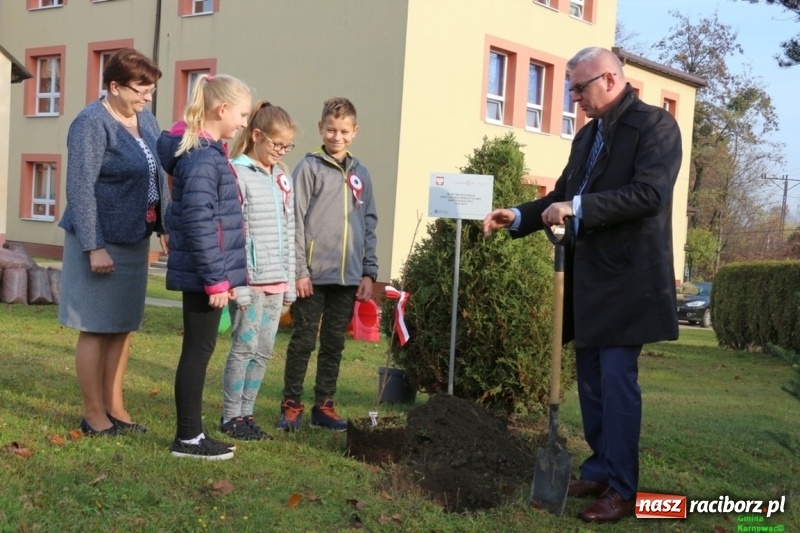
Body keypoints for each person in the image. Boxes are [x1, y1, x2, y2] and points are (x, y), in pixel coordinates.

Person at [482, 47, 682, 523]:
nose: (573, 98)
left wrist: (581, 208)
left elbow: (649, 194)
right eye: (571, 87)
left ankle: (622, 489)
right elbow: (562, 195)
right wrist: (519, 216)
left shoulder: (655, 127)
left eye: (578, 87)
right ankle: (599, 467)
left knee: (616, 384)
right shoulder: (589, 135)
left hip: (628, 281)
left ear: (610, 80)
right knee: (591, 383)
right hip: (588, 280)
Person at [58, 48, 167, 436]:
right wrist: (94, 245)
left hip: (135, 238)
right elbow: (80, 188)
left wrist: (164, 227)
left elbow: (159, 176)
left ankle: (116, 408)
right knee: (96, 327)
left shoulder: (147, 120)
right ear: (114, 86)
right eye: (141, 88)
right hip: (100, 241)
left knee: (121, 326)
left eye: (152, 88)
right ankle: (92, 414)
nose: (148, 96)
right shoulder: (91, 123)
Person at [157, 74, 252, 460]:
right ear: (221, 109)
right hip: (203, 274)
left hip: (209, 273)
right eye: (243, 114)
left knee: (201, 349)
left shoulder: (210, 152)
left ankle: (192, 435)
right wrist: (215, 280)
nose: (245, 122)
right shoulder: (200, 157)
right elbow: (199, 222)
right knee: (197, 351)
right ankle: (188, 438)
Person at [277, 97, 378, 432]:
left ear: (355, 131)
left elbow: (369, 223)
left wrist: (368, 271)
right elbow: (295, 219)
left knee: (334, 343)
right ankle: (291, 404)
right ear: (321, 128)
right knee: (304, 340)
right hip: (312, 277)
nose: (337, 136)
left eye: (344, 130)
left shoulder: (361, 173)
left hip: (348, 279)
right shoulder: (309, 168)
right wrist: (299, 272)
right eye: (331, 129)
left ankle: (325, 405)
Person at [219, 100, 298, 441]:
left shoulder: (282, 177)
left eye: (287, 146)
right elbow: (233, 232)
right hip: (250, 281)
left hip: (278, 282)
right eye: (276, 144)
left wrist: (291, 285)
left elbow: (290, 229)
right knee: (244, 348)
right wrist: (239, 283)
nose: (281, 151)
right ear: (256, 136)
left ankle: (247, 413)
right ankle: (230, 416)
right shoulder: (237, 172)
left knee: (264, 350)